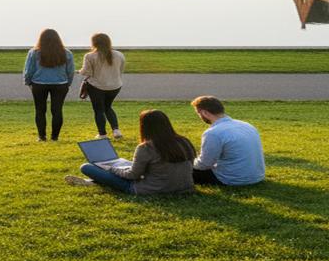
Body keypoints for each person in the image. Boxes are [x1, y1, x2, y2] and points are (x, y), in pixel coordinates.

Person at [65, 109, 196, 195]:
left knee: (86, 167)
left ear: (144, 127)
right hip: (185, 187)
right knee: (126, 165)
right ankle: (94, 181)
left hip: (150, 189)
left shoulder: (146, 147)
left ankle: (94, 181)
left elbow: (132, 175)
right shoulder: (184, 141)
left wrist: (111, 168)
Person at [190, 96, 266, 186]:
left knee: (181, 170)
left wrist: (190, 162)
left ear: (204, 112)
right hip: (257, 176)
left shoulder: (213, 133)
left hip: (232, 179)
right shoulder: (246, 125)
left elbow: (204, 165)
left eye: (198, 113)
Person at [23, 29, 74, 141]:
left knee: (40, 110)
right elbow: (70, 71)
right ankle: (55, 137)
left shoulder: (34, 52)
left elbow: (29, 70)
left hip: (39, 84)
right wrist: (68, 82)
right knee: (57, 110)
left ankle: (42, 136)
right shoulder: (67, 53)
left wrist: (28, 82)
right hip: (61, 84)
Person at [79, 32, 125, 140]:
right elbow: (121, 70)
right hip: (115, 86)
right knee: (108, 107)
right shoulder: (119, 55)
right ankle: (116, 130)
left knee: (99, 110)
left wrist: (79, 71)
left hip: (97, 86)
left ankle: (102, 134)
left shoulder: (90, 56)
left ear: (94, 43)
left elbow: (87, 72)